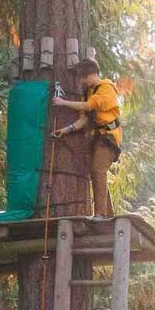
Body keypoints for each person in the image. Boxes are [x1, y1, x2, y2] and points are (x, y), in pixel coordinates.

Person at [51, 58, 122, 218]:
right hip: (98, 138)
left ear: (92, 74)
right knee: (97, 172)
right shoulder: (89, 93)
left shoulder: (106, 88)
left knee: (98, 171)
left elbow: (89, 106)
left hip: (109, 138)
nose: (82, 81)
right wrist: (66, 130)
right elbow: (84, 119)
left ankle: (101, 214)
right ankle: (107, 215)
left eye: (83, 77)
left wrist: (63, 102)